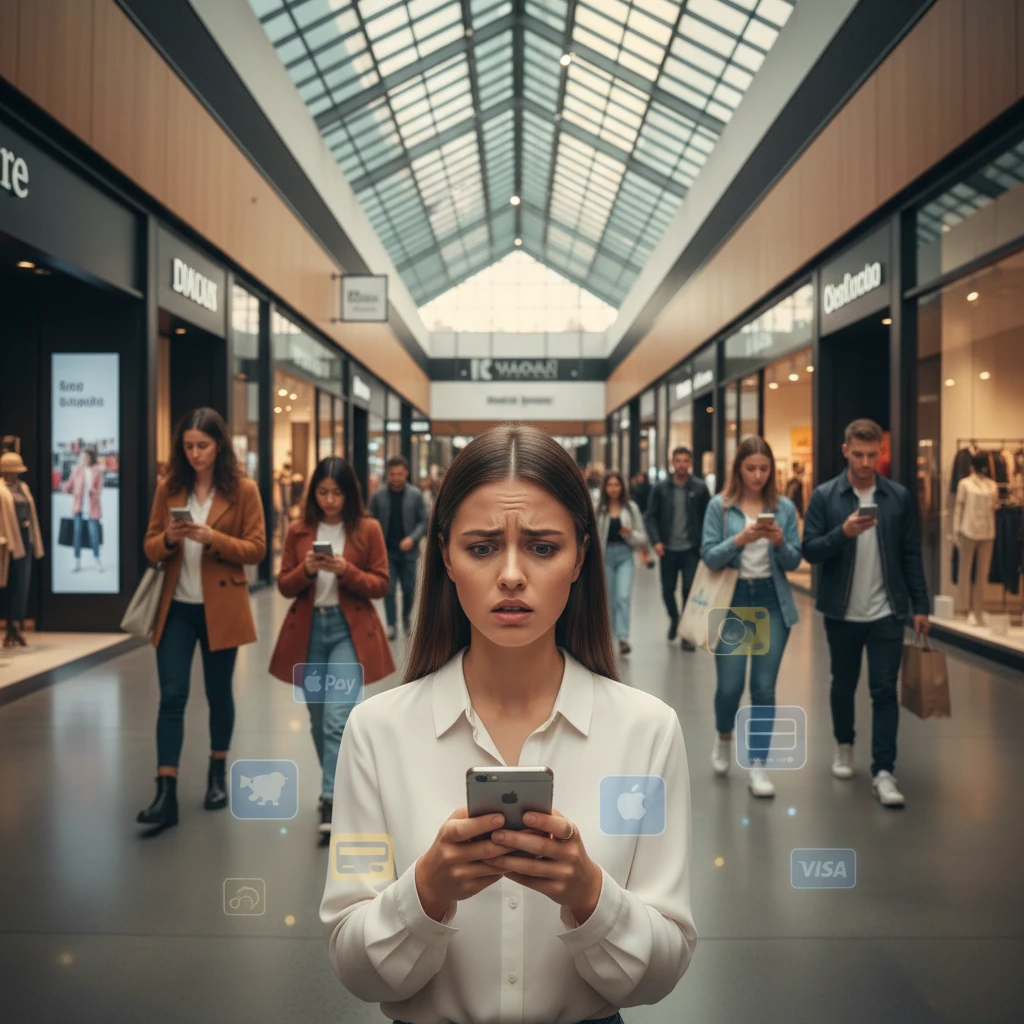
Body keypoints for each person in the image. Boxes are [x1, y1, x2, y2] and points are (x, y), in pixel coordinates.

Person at [320, 424, 695, 1024]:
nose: (513, 575)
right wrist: (427, 892)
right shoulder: (377, 732)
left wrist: (590, 898)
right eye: (482, 546)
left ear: (580, 557)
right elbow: (353, 965)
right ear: (444, 555)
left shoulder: (646, 731)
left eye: (543, 547)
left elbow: (663, 969)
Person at [136, 408, 266, 831]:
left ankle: (216, 773)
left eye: (203, 446)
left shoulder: (243, 489)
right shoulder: (169, 488)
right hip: (175, 607)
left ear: (219, 446)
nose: (195, 454)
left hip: (221, 605)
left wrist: (213, 538)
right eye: (188, 446)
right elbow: (150, 546)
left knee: (217, 693)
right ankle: (165, 791)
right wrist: (169, 539)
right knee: (171, 696)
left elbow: (257, 549)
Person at [802, 418, 930, 809]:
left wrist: (921, 605)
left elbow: (911, 553)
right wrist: (844, 532)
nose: (864, 462)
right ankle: (844, 745)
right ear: (845, 451)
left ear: (881, 453)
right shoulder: (826, 496)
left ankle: (884, 770)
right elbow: (810, 550)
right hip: (841, 611)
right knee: (842, 683)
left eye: (872, 455)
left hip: (886, 611)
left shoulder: (898, 497)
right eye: (857, 454)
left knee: (883, 690)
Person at [269, 456, 394, 841]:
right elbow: (285, 585)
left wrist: (345, 571)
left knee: (338, 718)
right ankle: (337, 786)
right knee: (317, 718)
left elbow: (381, 584)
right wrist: (307, 569)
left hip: (346, 631)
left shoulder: (367, 529)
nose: (329, 500)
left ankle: (331, 798)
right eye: (322, 492)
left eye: (336, 492)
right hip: (309, 632)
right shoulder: (298, 530)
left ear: (349, 494)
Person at [700, 437, 802, 798]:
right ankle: (723, 735)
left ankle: (758, 764)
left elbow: (793, 561)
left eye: (764, 468)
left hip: (771, 600)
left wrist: (779, 542)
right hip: (733, 600)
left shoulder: (785, 507)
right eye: (750, 468)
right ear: (738, 469)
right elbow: (709, 556)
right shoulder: (720, 507)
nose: (758, 475)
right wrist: (740, 539)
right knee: (729, 687)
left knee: (763, 687)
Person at [644, 446, 710, 650]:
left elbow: (709, 517)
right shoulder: (661, 488)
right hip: (668, 549)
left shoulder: (699, 488)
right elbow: (650, 516)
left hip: (691, 549)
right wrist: (656, 541)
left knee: (689, 591)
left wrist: (704, 544)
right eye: (678, 460)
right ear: (672, 462)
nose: (682, 465)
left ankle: (686, 633)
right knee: (667, 591)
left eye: (685, 461)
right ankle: (675, 618)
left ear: (690, 463)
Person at [368, 455, 428, 640]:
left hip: (409, 552)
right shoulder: (379, 496)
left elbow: (425, 520)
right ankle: (391, 624)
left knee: (409, 589)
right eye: (392, 474)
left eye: (399, 474)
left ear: (406, 474)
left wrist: (412, 538)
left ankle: (407, 618)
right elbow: (371, 521)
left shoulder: (415, 495)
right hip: (386, 551)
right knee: (389, 589)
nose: (396, 478)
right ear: (388, 474)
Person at [595, 470, 649, 655]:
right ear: (605, 488)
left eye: (616, 485)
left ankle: (623, 637)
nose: (613, 489)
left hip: (625, 555)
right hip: (606, 555)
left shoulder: (630, 508)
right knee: (609, 599)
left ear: (622, 487)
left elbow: (642, 537)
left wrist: (630, 533)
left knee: (623, 596)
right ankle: (608, 638)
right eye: (610, 485)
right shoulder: (600, 509)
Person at [0, 451, 44, 648]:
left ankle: (16, 622)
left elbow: (31, 513)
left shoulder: (23, 488)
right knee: (8, 583)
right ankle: (9, 624)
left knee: (22, 582)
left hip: (25, 537)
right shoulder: (1, 490)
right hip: (7, 540)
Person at [63, 446, 104, 573]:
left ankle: (97, 559)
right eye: (82, 457)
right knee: (77, 535)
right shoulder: (76, 470)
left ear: (91, 458)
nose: (84, 459)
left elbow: (99, 489)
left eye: (86, 456)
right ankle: (77, 561)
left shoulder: (96, 471)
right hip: (78, 508)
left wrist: (94, 492)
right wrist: (68, 488)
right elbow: (69, 486)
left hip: (92, 508)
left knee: (94, 536)